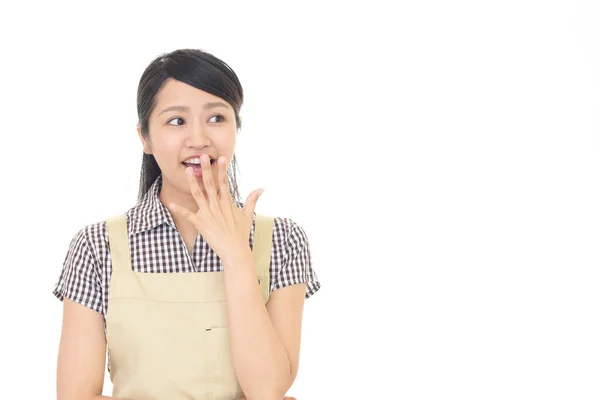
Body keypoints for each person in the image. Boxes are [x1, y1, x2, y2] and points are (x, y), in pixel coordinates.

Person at [53, 48, 321, 400]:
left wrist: (238, 257)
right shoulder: (96, 246)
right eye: (176, 121)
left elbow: (268, 390)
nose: (199, 138)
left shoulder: (283, 240)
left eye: (217, 118)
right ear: (145, 137)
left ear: (236, 128)